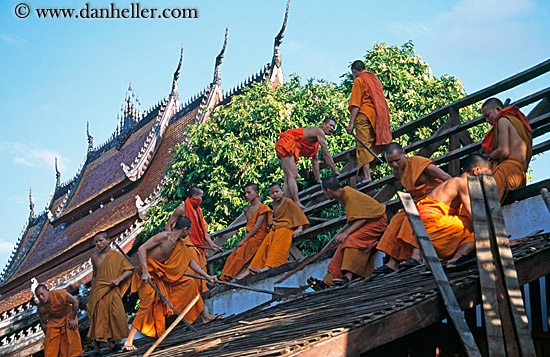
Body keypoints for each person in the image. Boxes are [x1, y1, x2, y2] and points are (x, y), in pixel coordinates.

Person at [123, 216, 221, 352]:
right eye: (189, 231)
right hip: (146, 275)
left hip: (162, 275)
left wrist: (208, 277)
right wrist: (145, 272)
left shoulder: (179, 244)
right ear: (185, 229)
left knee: (190, 282)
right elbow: (142, 249)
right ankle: (128, 341)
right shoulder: (163, 237)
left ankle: (205, 316)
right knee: (148, 303)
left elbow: (190, 261)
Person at [399, 154, 492, 267]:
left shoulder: (452, 182)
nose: (488, 179)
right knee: (475, 226)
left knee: (465, 224)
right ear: (476, 171)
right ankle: (457, 258)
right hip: (434, 228)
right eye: (487, 173)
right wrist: (500, 242)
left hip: (421, 233)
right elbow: (476, 217)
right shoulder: (462, 183)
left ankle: (431, 264)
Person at [374, 143, 452, 273]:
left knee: (413, 215)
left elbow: (447, 179)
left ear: (403, 154)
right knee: (397, 219)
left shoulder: (419, 163)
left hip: (436, 197)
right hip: (418, 200)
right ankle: (393, 262)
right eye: (390, 162)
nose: (394, 165)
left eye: (397, 160)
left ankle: (416, 256)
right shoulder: (396, 172)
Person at [319, 177, 387, 286]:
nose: (325, 195)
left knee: (350, 240)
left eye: (324, 192)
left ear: (328, 190)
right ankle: (328, 281)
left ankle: (348, 277)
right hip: (367, 222)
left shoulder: (348, 193)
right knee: (341, 247)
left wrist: (346, 233)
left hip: (377, 221)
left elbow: (363, 217)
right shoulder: (344, 196)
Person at [236, 183, 309, 279]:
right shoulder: (273, 204)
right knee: (264, 247)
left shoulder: (288, 201)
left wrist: (299, 228)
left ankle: (268, 266)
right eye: (272, 193)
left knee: (276, 246)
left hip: (286, 228)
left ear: (282, 191)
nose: (274, 194)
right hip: (276, 227)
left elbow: (298, 215)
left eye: (276, 192)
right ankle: (250, 270)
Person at [275, 119, 341, 208]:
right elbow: (326, 153)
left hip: (285, 143)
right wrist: (335, 171)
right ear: (323, 124)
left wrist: (318, 180)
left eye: (333, 127)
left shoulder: (315, 142)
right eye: (330, 125)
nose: (332, 128)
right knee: (292, 175)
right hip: (287, 142)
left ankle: (285, 204)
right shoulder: (319, 131)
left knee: (288, 177)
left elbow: (315, 162)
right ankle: (297, 202)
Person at [86, 231, 133, 356]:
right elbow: (95, 276)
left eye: (100, 240)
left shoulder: (116, 256)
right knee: (98, 317)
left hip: (112, 289)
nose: (98, 244)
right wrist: (92, 291)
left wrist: (118, 280)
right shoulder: (94, 257)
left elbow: (129, 271)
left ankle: (113, 343)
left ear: (108, 240)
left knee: (115, 315)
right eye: (96, 242)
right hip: (99, 290)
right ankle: (97, 348)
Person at [346, 60, 392, 186]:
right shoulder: (374, 79)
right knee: (377, 140)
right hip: (377, 115)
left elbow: (356, 104)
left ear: (354, 71)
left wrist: (351, 124)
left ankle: (367, 177)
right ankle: (395, 162)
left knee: (363, 145)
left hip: (364, 116)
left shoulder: (359, 80)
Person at [165, 187, 220, 292]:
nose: (201, 199)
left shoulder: (198, 211)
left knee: (201, 265)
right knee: (192, 268)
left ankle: (203, 290)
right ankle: (192, 292)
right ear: (194, 196)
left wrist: (211, 244)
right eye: (200, 197)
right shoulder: (182, 209)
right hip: (186, 241)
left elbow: (202, 231)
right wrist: (172, 240)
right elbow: (169, 225)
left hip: (198, 242)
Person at [481, 98, 533, 202]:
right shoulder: (517, 122)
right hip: (520, 175)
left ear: (498, 108)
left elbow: (503, 151)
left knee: (483, 204)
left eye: (488, 115)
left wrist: (488, 156)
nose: (487, 120)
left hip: (507, 171)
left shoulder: (503, 120)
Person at [219, 184, 273, 282]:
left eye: (249, 193)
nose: (246, 195)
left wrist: (244, 240)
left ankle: (227, 278)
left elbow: (257, 226)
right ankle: (223, 278)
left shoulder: (263, 207)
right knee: (232, 256)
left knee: (240, 255)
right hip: (250, 237)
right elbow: (250, 225)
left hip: (259, 237)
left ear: (256, 193)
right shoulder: (247, 209)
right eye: (245, 193)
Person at [35, 285, 83, 357]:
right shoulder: (41, 307)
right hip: (54, 320)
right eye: (38, 296)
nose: (41, 297)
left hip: (68, 315)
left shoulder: (60, 294)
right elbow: (44, 324)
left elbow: (75, 302)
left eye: (42, 294)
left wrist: (72, 319)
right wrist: (48, 335)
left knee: (71, 338)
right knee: (50, 347)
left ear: (48, 291)